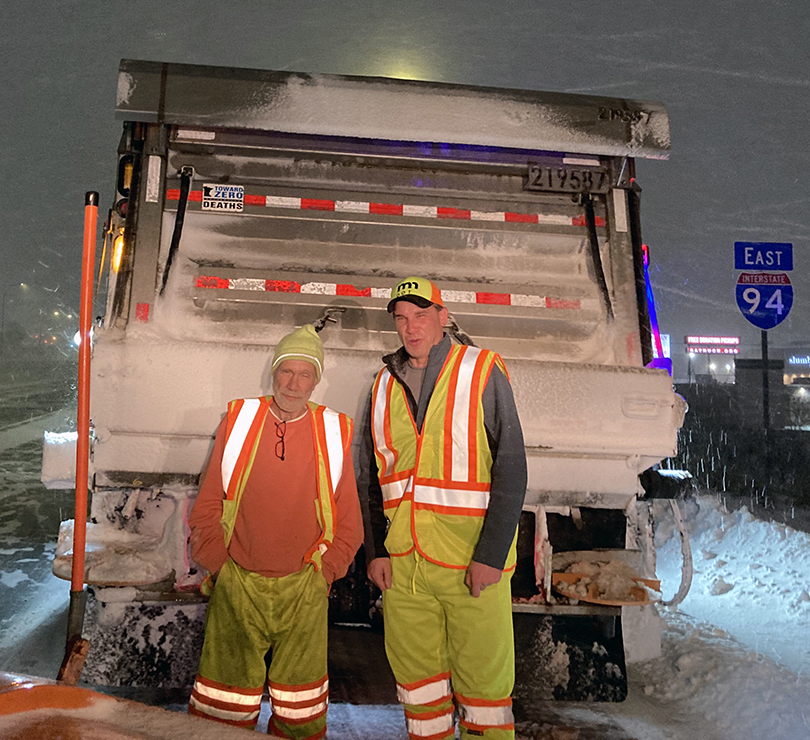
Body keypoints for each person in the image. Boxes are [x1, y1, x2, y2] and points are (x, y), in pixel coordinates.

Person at [359, 277, 527, 740]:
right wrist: (375, 552)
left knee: (485, 700)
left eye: (420, 315)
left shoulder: (481, 369)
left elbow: (512, 468)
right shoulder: (381, 385)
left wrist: (491, 556)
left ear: (442, 316)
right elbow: (368, 478)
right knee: (420, 696)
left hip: (469, 566)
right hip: (405, 571)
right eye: (401, 318)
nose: (411, 328)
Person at [188, 324, 363, 739]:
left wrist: (325, 572)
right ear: (274, 372)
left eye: (306, 374)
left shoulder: (333, 431)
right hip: (238, 583)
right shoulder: (241, 419)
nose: (294, 383)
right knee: (223, 706)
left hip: (304, 587)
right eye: (287, 371)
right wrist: (221, 568)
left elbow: (348, 520)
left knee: (299, 710)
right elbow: (209, 503)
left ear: (316, 381)